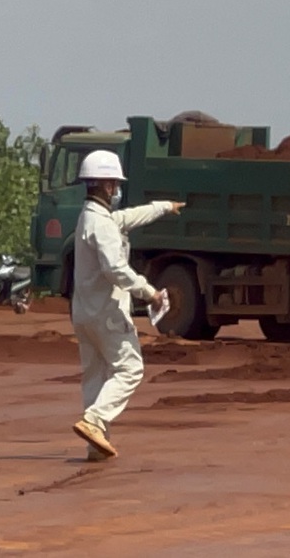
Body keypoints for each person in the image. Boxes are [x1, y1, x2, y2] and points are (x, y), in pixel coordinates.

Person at [69, 150, 183, 461]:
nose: (117, 190)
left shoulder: (90, 218)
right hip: (107, 313)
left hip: (84, 313)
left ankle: (96, 445)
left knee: (96, 375)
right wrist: (150, 293)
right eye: (115, 185)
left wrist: (162, 207)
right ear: (106, 185)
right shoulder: (102, 225)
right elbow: (116, 269)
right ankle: (94, 421)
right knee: (130, 369)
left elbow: (127, 218)